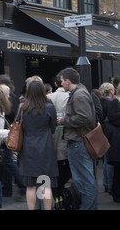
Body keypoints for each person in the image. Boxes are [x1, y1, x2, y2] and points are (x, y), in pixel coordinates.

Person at [58, 67, 98, 210]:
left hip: (78, 142)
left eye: (62, 81)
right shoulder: (80, 92)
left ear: (68, 81)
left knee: (85, 180)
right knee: (83, 180)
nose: (61, 84)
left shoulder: (79, 95)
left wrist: (64, 120)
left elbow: (84, 117)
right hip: (78, 141)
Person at [17, 81, 59, 210]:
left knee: (30, 186)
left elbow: (18, 126)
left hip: (28, 148)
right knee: (45, 184)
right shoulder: (49, 107)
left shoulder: (22, 107)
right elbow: (53, 128)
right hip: (45, 148)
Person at [47, 74, 71, 205]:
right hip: (67, 135)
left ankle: (56, 194)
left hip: (52, 137)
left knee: (54, 167)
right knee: (67, 165)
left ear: (55, 85)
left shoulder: (49, 98)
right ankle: (61, 192)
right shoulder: (70, 97)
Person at [105, 93, 120, 202]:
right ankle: (116, 193)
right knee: (117, 171)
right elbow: (112, 117)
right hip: (117, 141)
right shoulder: (116, 102)